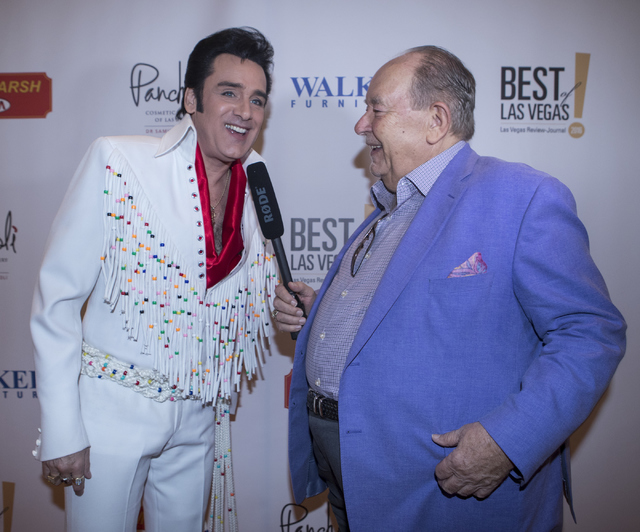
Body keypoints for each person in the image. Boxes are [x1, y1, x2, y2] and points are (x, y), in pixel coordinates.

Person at [273, 46, 626, 531]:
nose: (361, 125)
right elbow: (400, 316)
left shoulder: (523, 197)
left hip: (441, 496)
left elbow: (590, 333)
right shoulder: (386, 211)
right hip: (353, 477)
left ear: (436, 120)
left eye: (376, 108)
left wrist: (506, 440)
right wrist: (324, 320)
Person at [31, 27, 277, 532]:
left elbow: (228, 290)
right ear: (191, 99)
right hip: (110, 417)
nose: (245, 111)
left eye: (257, 99)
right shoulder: (120, 162)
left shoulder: (257, 182)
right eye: (228, 92)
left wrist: (282, 302)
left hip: (198, 420)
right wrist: (62, 429)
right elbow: (57, 298)